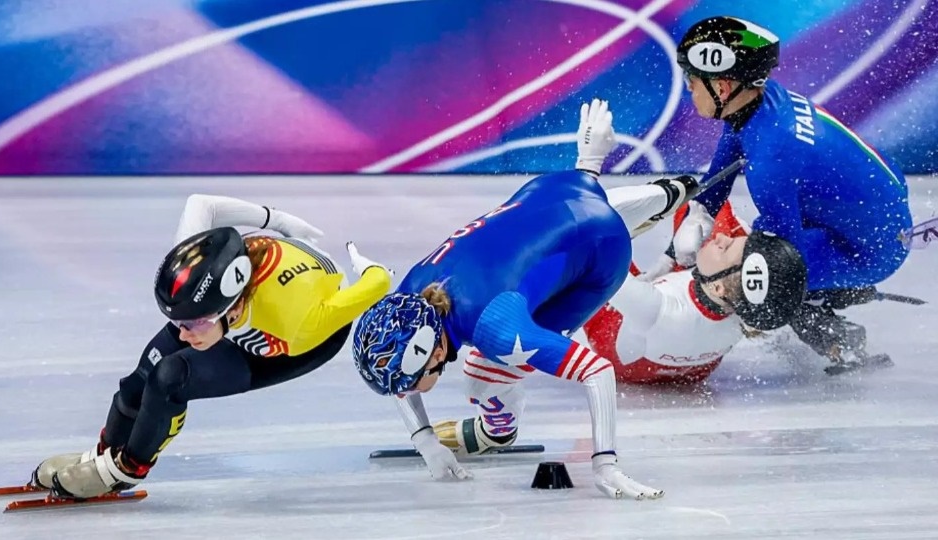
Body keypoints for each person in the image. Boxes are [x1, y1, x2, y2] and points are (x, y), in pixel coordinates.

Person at [351, 99, 702, 500]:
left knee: (481, 375)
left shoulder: (496, 327)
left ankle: (495, 432)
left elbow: (598, 372)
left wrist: (604, 464)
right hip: (554, 188)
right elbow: (402, 365)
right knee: (569, 230)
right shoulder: (409, 296)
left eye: (410, 383)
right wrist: (424, 440)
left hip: (603, 257)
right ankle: (647, 190)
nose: (406, 390)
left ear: (435, 353)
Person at [32, 194, 392, 499]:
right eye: (179, 323)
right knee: (138, 382)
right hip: (240, 310)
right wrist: (276, 219)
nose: (182, 335)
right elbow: (201, 204)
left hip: (299, 341)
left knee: (170, 377)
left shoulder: (297, 323)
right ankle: (105, 453)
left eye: (191, 325)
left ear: (230, 310)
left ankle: (127, 469)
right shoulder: (198, 266)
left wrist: (368, 267)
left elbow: (379, 282)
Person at [667, 15, 912, 372]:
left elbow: (781, 261)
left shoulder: (770, 161)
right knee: (742, 246)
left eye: (692, 78)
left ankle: (832, 332)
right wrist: (693, 221)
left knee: (747, 278)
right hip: (881, 211)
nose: (688, 87)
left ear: (722, 87)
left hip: (868, 251)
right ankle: (825, 293)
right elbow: (720, 172)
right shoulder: (761, 104)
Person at [582, 200, 806, 384]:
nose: (722, 238)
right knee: (707, 206)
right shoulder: (750, 307)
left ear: (717, 287)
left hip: (623, 358)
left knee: (592, 239)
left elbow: (592, 256)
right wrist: (674, 259)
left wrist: (669, 256)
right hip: (697, 370)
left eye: (724, 248)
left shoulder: (658, 310)